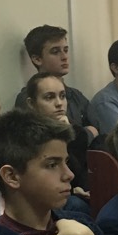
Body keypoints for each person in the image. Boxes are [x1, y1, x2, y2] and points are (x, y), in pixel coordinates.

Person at [25, 72, 93, 214]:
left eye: (62, 96)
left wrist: (67, 136)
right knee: (76, 205)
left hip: (69, 191)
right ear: (32, 104)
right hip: (40, 197)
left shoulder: (76, 132)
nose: (59, 103)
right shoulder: (26, 138)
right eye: (49, 97)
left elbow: (79, 172)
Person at [11, 25, 95, 135]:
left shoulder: (76, 95)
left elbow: (96, 128)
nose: (64, 57)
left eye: (66, 50)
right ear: (37, 59)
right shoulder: (27, 97)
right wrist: (87, 133)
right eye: (55, 52)